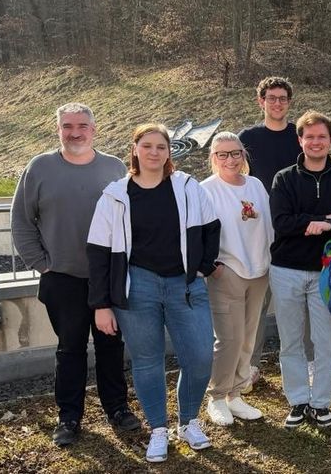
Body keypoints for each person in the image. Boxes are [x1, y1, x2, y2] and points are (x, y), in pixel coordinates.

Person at [87, 123, 221, 463]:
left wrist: (202, 267)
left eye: (161, 146)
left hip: (185, 285)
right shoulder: (115, 195)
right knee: (147, 361)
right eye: (146, 145)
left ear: (169, 151)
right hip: (137, 285)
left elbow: (211, 228)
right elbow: (98, 254)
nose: (154, 152)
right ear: (134, 149)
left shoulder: (188, 186)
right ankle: (158, 429)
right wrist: (101, 304)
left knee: (201, 358)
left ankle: (188, 421)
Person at [10, 102, 139, 447]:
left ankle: (117, 408)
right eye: (68, 126)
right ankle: (69, 416)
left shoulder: (113, 167)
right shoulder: (40, 168)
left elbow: (130, 219)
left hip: (108, 276)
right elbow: (22, 221)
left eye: (82, 125)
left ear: (94, 129)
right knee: (70, 349)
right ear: (59, 130)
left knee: (111, 345)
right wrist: (41, 263)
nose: (75, 132)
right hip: (62, 277)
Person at [271, 111, 331, 428]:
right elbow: (282, 223)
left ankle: (321, 403)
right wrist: (327, 219)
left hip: (328, 273)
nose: (315, 142)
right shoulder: (284, 179)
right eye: (309, 137)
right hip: (286, 270)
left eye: (321, 136)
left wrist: (325, 222)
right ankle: (298, 401)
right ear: (300, 140)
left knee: (326, 342)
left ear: (330, 140)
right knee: (291, 341)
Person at [200, 132, 273, 426]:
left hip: (259, 270)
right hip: (227, 270)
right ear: (213, 158)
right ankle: (216, 397)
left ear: (243, 156)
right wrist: (211, 266)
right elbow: (198, 232)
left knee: (247, 336)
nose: (229, 159)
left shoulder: (254, 184)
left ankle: (237, 394)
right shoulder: (206, 189)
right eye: (222, 154)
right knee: (228, 339)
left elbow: (266, 223)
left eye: (235, 153)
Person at [239, 76, 308, 388]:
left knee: (300, 304)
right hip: (258, 232)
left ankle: (307, 365)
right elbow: (237, 180)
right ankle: (247, 369)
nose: (277, 103)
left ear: (289, 103)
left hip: (296, 231)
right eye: (271, 98)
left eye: (282, 98)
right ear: (261, 101)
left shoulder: (301, 136)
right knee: (255, 307)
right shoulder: (248, 138)